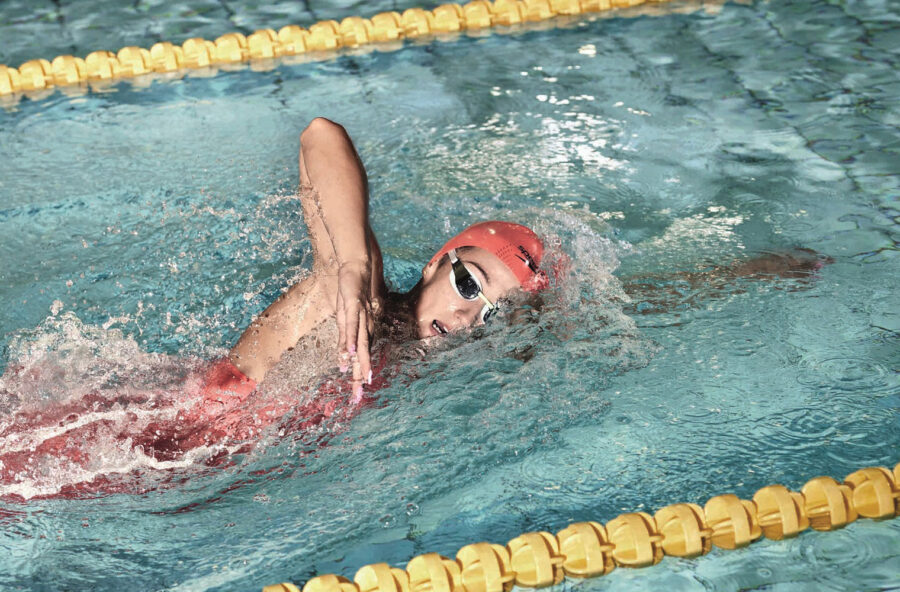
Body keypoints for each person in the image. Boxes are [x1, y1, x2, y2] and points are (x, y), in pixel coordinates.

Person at [225, 117, 549, 406]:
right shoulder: (361, 302)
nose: (467, 319)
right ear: (435, 264)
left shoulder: (420, 379)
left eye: (490, 314)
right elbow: (320, 135)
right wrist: (353, 264)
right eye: (468, 285)